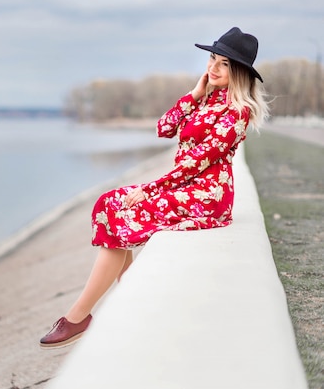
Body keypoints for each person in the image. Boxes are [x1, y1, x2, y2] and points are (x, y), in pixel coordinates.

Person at [39, 27, 269, 349]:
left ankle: (79, 316)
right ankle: (126, 294)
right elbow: (164, 128)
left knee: (123, 210)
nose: (212, 68)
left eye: (224, 64)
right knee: (110, 202)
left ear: (240, 72)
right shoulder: (205, 101)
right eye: (212, 59)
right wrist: (193, 95)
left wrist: (149, 189)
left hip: (207, 196)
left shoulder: (237, 112)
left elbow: (197, 163)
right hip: (185, 186)